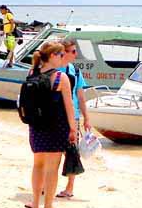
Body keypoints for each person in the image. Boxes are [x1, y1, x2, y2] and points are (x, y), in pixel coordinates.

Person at [26, 42, 76, 208]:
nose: (63, 58)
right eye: (61, 54)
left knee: (38, 164)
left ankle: (35, 202)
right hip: (56, 126)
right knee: (52, 168)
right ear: (53, 55)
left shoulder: (32, 72)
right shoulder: (61, 77)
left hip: (36, 125)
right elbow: (69, 106)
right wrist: (73, 128)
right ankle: (48, 205)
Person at [56, 38, 91, 199]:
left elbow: (81, 97)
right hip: (55, 115)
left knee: (71, 152)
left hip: (73, 117)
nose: (76, 54)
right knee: (53, 151)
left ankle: (69, 187)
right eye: (73, 51)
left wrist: (86, 118)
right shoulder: (53, 69)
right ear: (63, 52)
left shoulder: (75, 71)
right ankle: (48, 184)